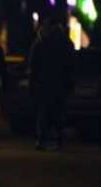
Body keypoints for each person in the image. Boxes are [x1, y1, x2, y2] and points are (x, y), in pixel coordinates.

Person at [29, 17, 75, 151]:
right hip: (44, 85)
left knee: (59, 116)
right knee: (44, 115)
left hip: (59, 85)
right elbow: (34, 67)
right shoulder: (39, 44)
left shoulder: (65, 44)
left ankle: (59, 140)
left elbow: (71, 66)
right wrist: (32, 85)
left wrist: (69, 83)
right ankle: (42, 140)